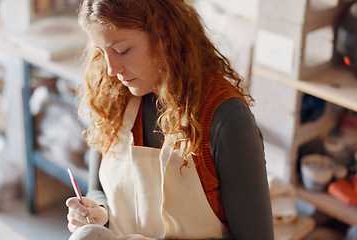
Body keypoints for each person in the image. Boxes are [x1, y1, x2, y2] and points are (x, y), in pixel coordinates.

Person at [66, 0, 274, 239]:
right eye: (101, 52)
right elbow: (98, 189)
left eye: (122, 50)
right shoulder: (113, 96)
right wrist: (98, 212)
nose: (111, 68)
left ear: (164, 33)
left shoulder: (225, 120)